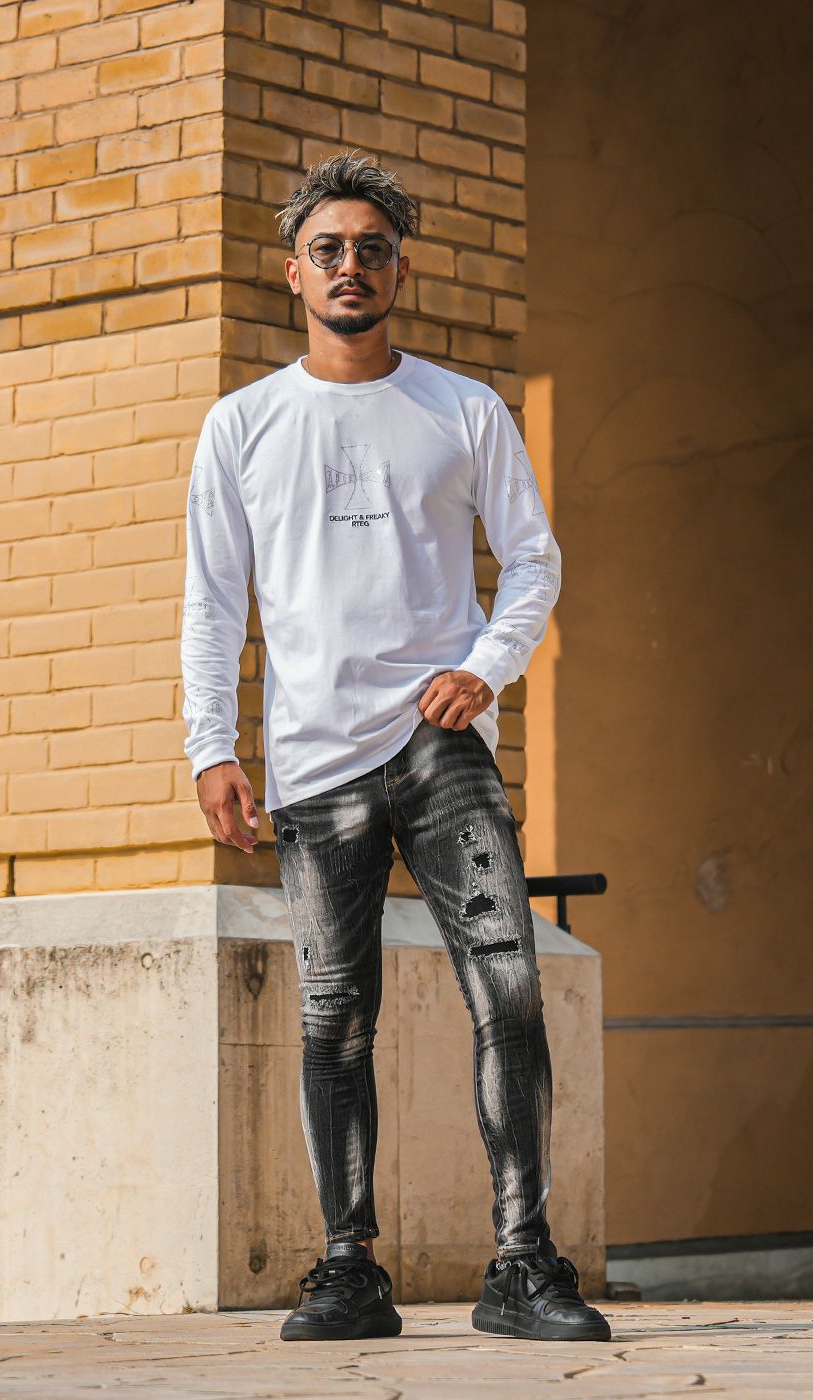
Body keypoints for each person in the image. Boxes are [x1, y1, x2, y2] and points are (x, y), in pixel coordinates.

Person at [180, 149, 611, 1345]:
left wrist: (487, 664)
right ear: (293, 273)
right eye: (328, 249)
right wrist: (211, 745)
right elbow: (212, 601)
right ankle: (347, 1266)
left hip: (438, 739)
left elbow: (533, 558)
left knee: (508, 987)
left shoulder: (462, 409)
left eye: (371, 250)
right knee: (333, 1015)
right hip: (313, 758)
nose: (350, 266)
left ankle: (521, 1261)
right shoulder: (243, 425)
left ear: (398, 272)